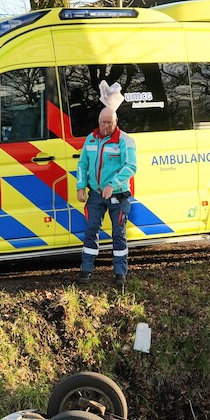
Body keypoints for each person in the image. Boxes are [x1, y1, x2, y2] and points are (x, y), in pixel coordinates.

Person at [76, 105, 136, 285]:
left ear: (116, 122)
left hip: (119, 195)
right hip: (96, 195)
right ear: (98, 122)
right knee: (91, 231)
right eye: (103, 122)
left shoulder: (125, 140)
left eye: (110, 122)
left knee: (119, 234)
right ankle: (86, 271)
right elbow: (82, 165)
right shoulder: (91, 139)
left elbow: (130, 166)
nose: (106, 126)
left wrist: (112, 184)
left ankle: (120, 273)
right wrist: (80, 187)